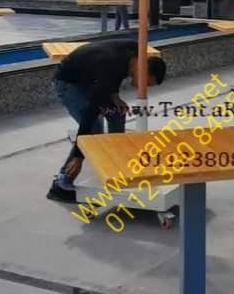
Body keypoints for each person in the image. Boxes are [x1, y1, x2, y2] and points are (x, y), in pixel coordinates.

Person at [47, 38, 167, 203]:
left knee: (117, 113)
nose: (143, 88)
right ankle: (61, 184)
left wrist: (114, 96)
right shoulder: (110, 69)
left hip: (92, 78)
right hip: (69, 83)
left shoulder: (136, 51)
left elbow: (115, 71)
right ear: (143, 69)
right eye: (146, 83)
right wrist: (78, 156)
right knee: (94, 129)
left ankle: (113, 162)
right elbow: (90, 113)